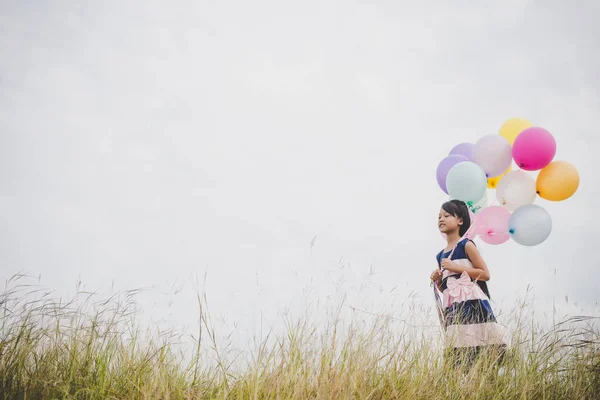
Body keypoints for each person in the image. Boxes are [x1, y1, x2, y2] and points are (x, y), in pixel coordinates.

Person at [430, 199, 506, 367]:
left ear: (460, 221)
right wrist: (438, 281)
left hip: (473, 304)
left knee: (483, 350)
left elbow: (485, 274)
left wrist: (456, 267)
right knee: (458, 351)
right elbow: (447, 288)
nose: (441, 219)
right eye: (439, 216)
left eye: (446, 215)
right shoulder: (440, 255)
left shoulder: (467, 245)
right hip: (453, 307)